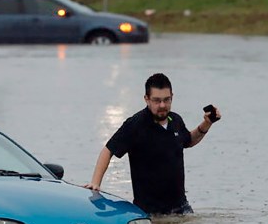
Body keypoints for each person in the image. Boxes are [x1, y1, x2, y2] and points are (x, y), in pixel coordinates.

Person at [84, 73, 221, 215]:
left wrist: (207, 123)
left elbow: (188, 141)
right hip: (149, 212)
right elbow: (108, 150)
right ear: (146, 99)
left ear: (172, 97)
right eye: (157, 100)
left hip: (181, 207)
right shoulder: (135, 125)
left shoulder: (176, 120)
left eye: (166, 100)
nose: (162, 105)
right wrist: (95, 183)